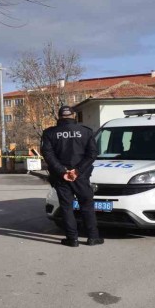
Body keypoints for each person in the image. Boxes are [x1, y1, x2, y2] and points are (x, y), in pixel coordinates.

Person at [40, 105, 102, 247]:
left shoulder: (49, 133)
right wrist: (77, 171)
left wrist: (63, 171)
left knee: (66, 207)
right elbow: (92, 154)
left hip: (61, 177)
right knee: (87, 205)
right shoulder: (86, 132)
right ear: (73, 116)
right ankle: (93, 237)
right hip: (81, 176)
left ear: (59, 116)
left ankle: (72, 239)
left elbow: (48, 155)